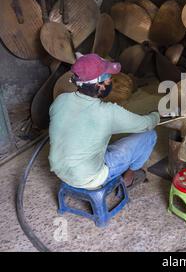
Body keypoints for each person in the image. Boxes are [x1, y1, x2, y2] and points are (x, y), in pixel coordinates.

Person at [49, 54, 160, 189]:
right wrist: (156, 115)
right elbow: (146, 125)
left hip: (60, 171)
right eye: (108, 78)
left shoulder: (60, 100)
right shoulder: (108, 112)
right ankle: (128, 178)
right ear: (99, 85)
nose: (110, 82)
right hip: (89, 177)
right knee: (149, 135)